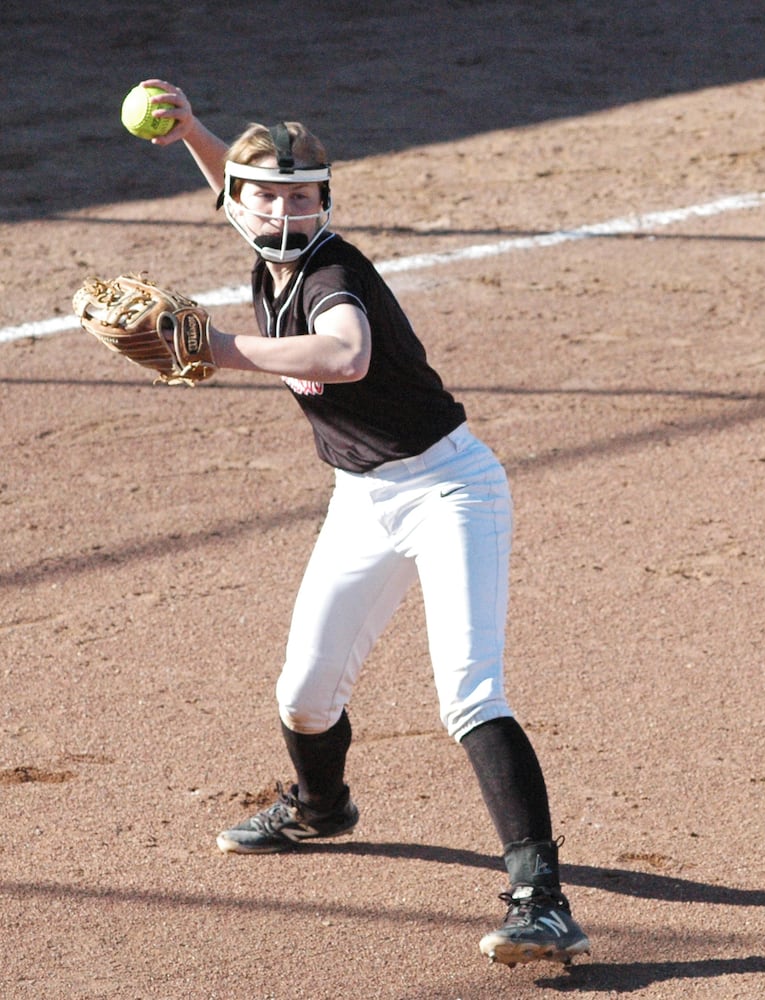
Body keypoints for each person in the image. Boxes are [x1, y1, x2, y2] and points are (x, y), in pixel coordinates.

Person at [135, 79, 590, 969]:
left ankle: (542, 901)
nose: (284, 207)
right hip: (362, 497)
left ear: (324, 201)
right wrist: (192, 130)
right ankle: (320, 808)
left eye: (303, 194)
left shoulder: (334, 272)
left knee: (468, 694)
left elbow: (346, 354)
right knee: (303, 696)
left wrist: (222, 350)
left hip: (451, 491)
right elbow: (238, 182)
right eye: (268, 194)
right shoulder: (264, 236)